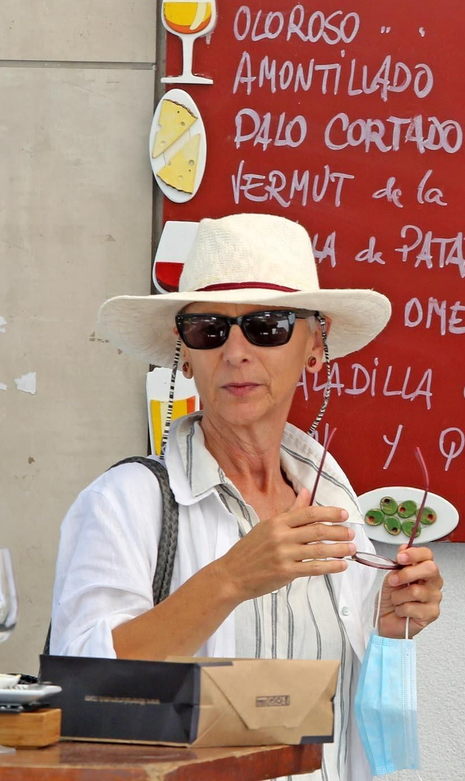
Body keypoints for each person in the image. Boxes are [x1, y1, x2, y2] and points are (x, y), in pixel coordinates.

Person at [51, 213, 443, 781]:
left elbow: (335, 706)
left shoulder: (333, 502)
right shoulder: (126, 501)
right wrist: (229, 580)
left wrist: (385, 621)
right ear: (185, 355)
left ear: (315, 345)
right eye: (209, 329)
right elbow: (80, 688)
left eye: (267, 326)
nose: (236, 351)